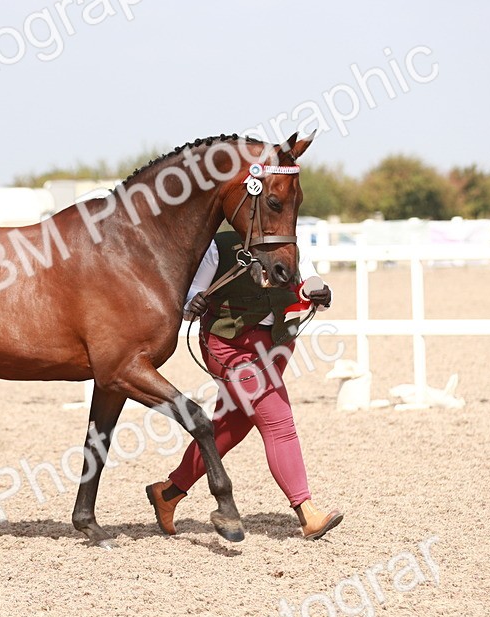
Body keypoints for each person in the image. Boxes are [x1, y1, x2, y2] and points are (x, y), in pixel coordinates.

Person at [145, 226, 344, 541]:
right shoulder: (218, 245)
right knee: (278, 421)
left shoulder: (289, 239)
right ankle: (307, 512)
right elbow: (189, 298)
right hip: (229, 345)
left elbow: (310, 279)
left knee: (231, 426)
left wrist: (321, 293)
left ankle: (169, 492)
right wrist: (191, 306)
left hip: (276, 344)